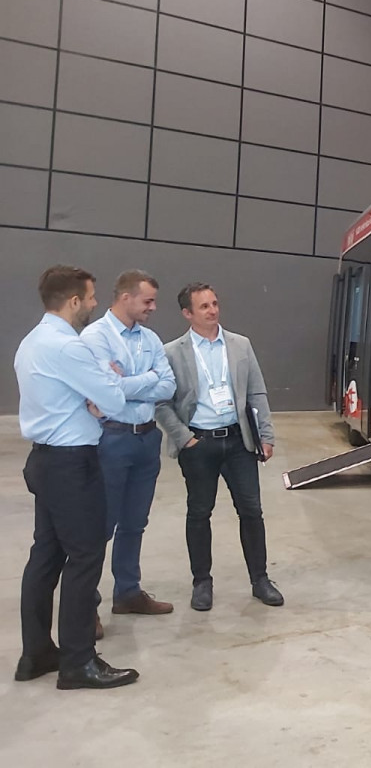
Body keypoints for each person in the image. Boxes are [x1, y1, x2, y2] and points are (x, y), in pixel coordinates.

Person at [14, 265, 139, 690]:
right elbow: (114, 398)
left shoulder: (32, 342)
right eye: (89, 298)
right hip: (72, 465)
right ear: (72, 302)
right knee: (85, 558)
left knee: (46, 557)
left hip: (45, 462)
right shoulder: (68, 347)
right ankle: (78, 662)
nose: (92, 304)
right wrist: (106, 387)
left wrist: (98, 393)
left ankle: (36, 653)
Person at [155, 283, 284, 610]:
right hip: (199, 444)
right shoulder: (172, 352)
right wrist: (185, 439)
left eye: (214, 303)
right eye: (204, 306)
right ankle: (202, 582)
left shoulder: (241, 345)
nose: (212, 310)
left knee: (251, 511)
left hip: (238, 441)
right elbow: (161, 403)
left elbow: (257, 392)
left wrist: (265, 436)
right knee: (199, 512)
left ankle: (260, 579)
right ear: (187, 313)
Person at [80, 270, 176, 618]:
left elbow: (167, 386)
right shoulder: (96, 338)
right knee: (101, 524)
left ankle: (128, 593)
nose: (153, 307)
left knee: (135, 521)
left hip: (148, 439)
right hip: (111, 440)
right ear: (125, 297)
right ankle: (85, 606)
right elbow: (108, 391)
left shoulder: (150, 339)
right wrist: (145, 380)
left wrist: (131, 382)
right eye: (147, 300)